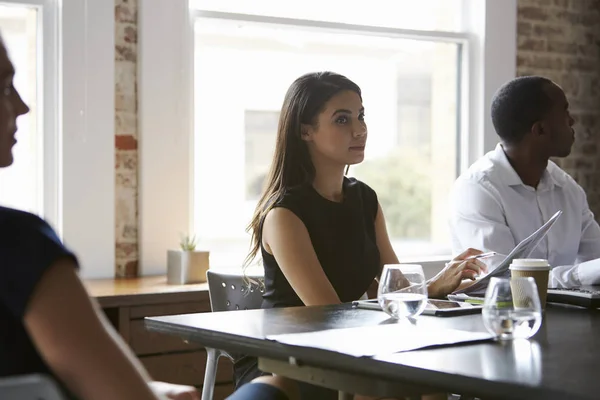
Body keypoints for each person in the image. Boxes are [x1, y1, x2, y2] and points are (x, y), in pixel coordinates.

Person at [0, 33, 292, 400]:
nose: (22, 106)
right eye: (4, 86)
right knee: (279, 384)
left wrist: (154, 389)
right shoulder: (17, 242)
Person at [235, 71, 486, 400]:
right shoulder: (284, 214)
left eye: (361, 116)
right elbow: (331, 314)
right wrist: (423, 293)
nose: (360, 129)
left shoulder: (365, 199)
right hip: (289, 359)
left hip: (351, 348)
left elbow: (394, 287)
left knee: (433, 382)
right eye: (342, 119)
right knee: (387, 386)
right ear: (305, 131)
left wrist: (436, 284)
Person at [450, 75, 600, 288]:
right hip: (496, 318)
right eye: (565, 111)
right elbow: (505, 282)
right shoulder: (477, 190)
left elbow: (595, 263)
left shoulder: (567, 188)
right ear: (539, 130)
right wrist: (578, 275)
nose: (572, 120)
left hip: (568, 319)